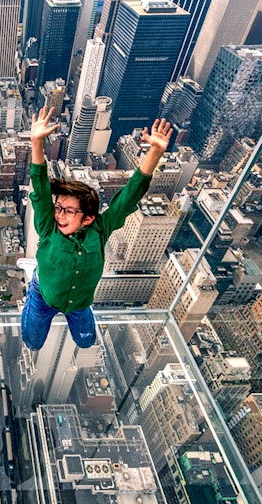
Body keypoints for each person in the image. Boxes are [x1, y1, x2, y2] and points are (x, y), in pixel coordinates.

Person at [21, 106, 173, 351]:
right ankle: (33, 282)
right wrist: (36, 142)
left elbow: (127, 198)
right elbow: (40, 189)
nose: (60, 215)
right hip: (44, 295)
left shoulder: (99, 230)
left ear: (89, 218)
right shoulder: (49, 226)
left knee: (86, 341)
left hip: (80, 301)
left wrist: (154, 152)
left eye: (69, 211)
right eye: (59, 207)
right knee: (33, 342)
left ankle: (74, 308)